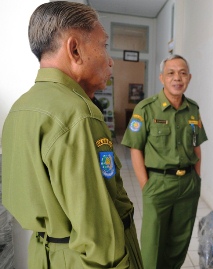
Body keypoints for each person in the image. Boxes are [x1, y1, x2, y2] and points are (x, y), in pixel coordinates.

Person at [1, 2, 143, 268]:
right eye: (104, 45)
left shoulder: (21, 107)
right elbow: (98, 234)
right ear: (74, 49)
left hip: (44, 255)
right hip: (84, 260)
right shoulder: (79, 114)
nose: (109, 60)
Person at [121, 54, 208, 269]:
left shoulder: (193, 109)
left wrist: (196, 177)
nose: (177, 78)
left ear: (189, 77)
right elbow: (135, 149)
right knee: (152, 242)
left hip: (188, 183)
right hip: (158, 184)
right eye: (171, 73)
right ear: (162, 78)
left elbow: (197, 146)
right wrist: (146, 186)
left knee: (180, 240)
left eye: (182, 73)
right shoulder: (146, 108)